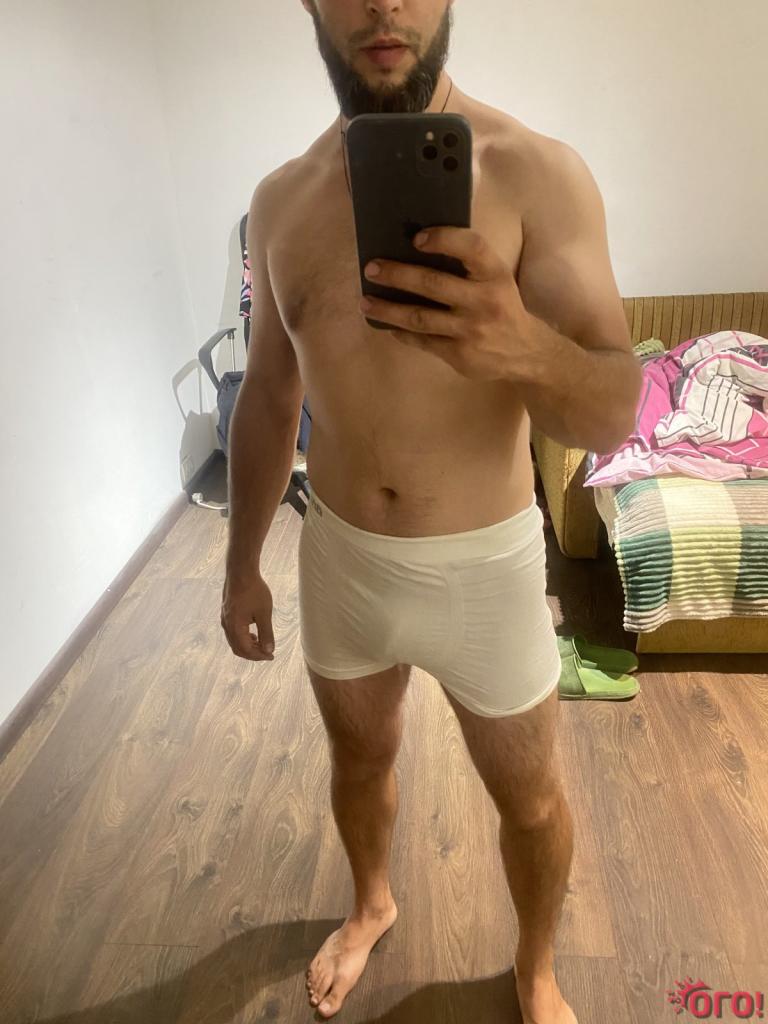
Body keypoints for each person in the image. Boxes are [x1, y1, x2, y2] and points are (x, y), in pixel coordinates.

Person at [220, 2, 642, 1021]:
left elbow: (614, 410)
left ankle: (535, 966)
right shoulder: (278, 202)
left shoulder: (539, 175)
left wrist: (520, 345)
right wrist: (240, 566)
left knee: (530, 801)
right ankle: (372, 903)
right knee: (359, 760)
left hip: (485, 569)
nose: (384, 3)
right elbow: (270, 395)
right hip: (342, 559)